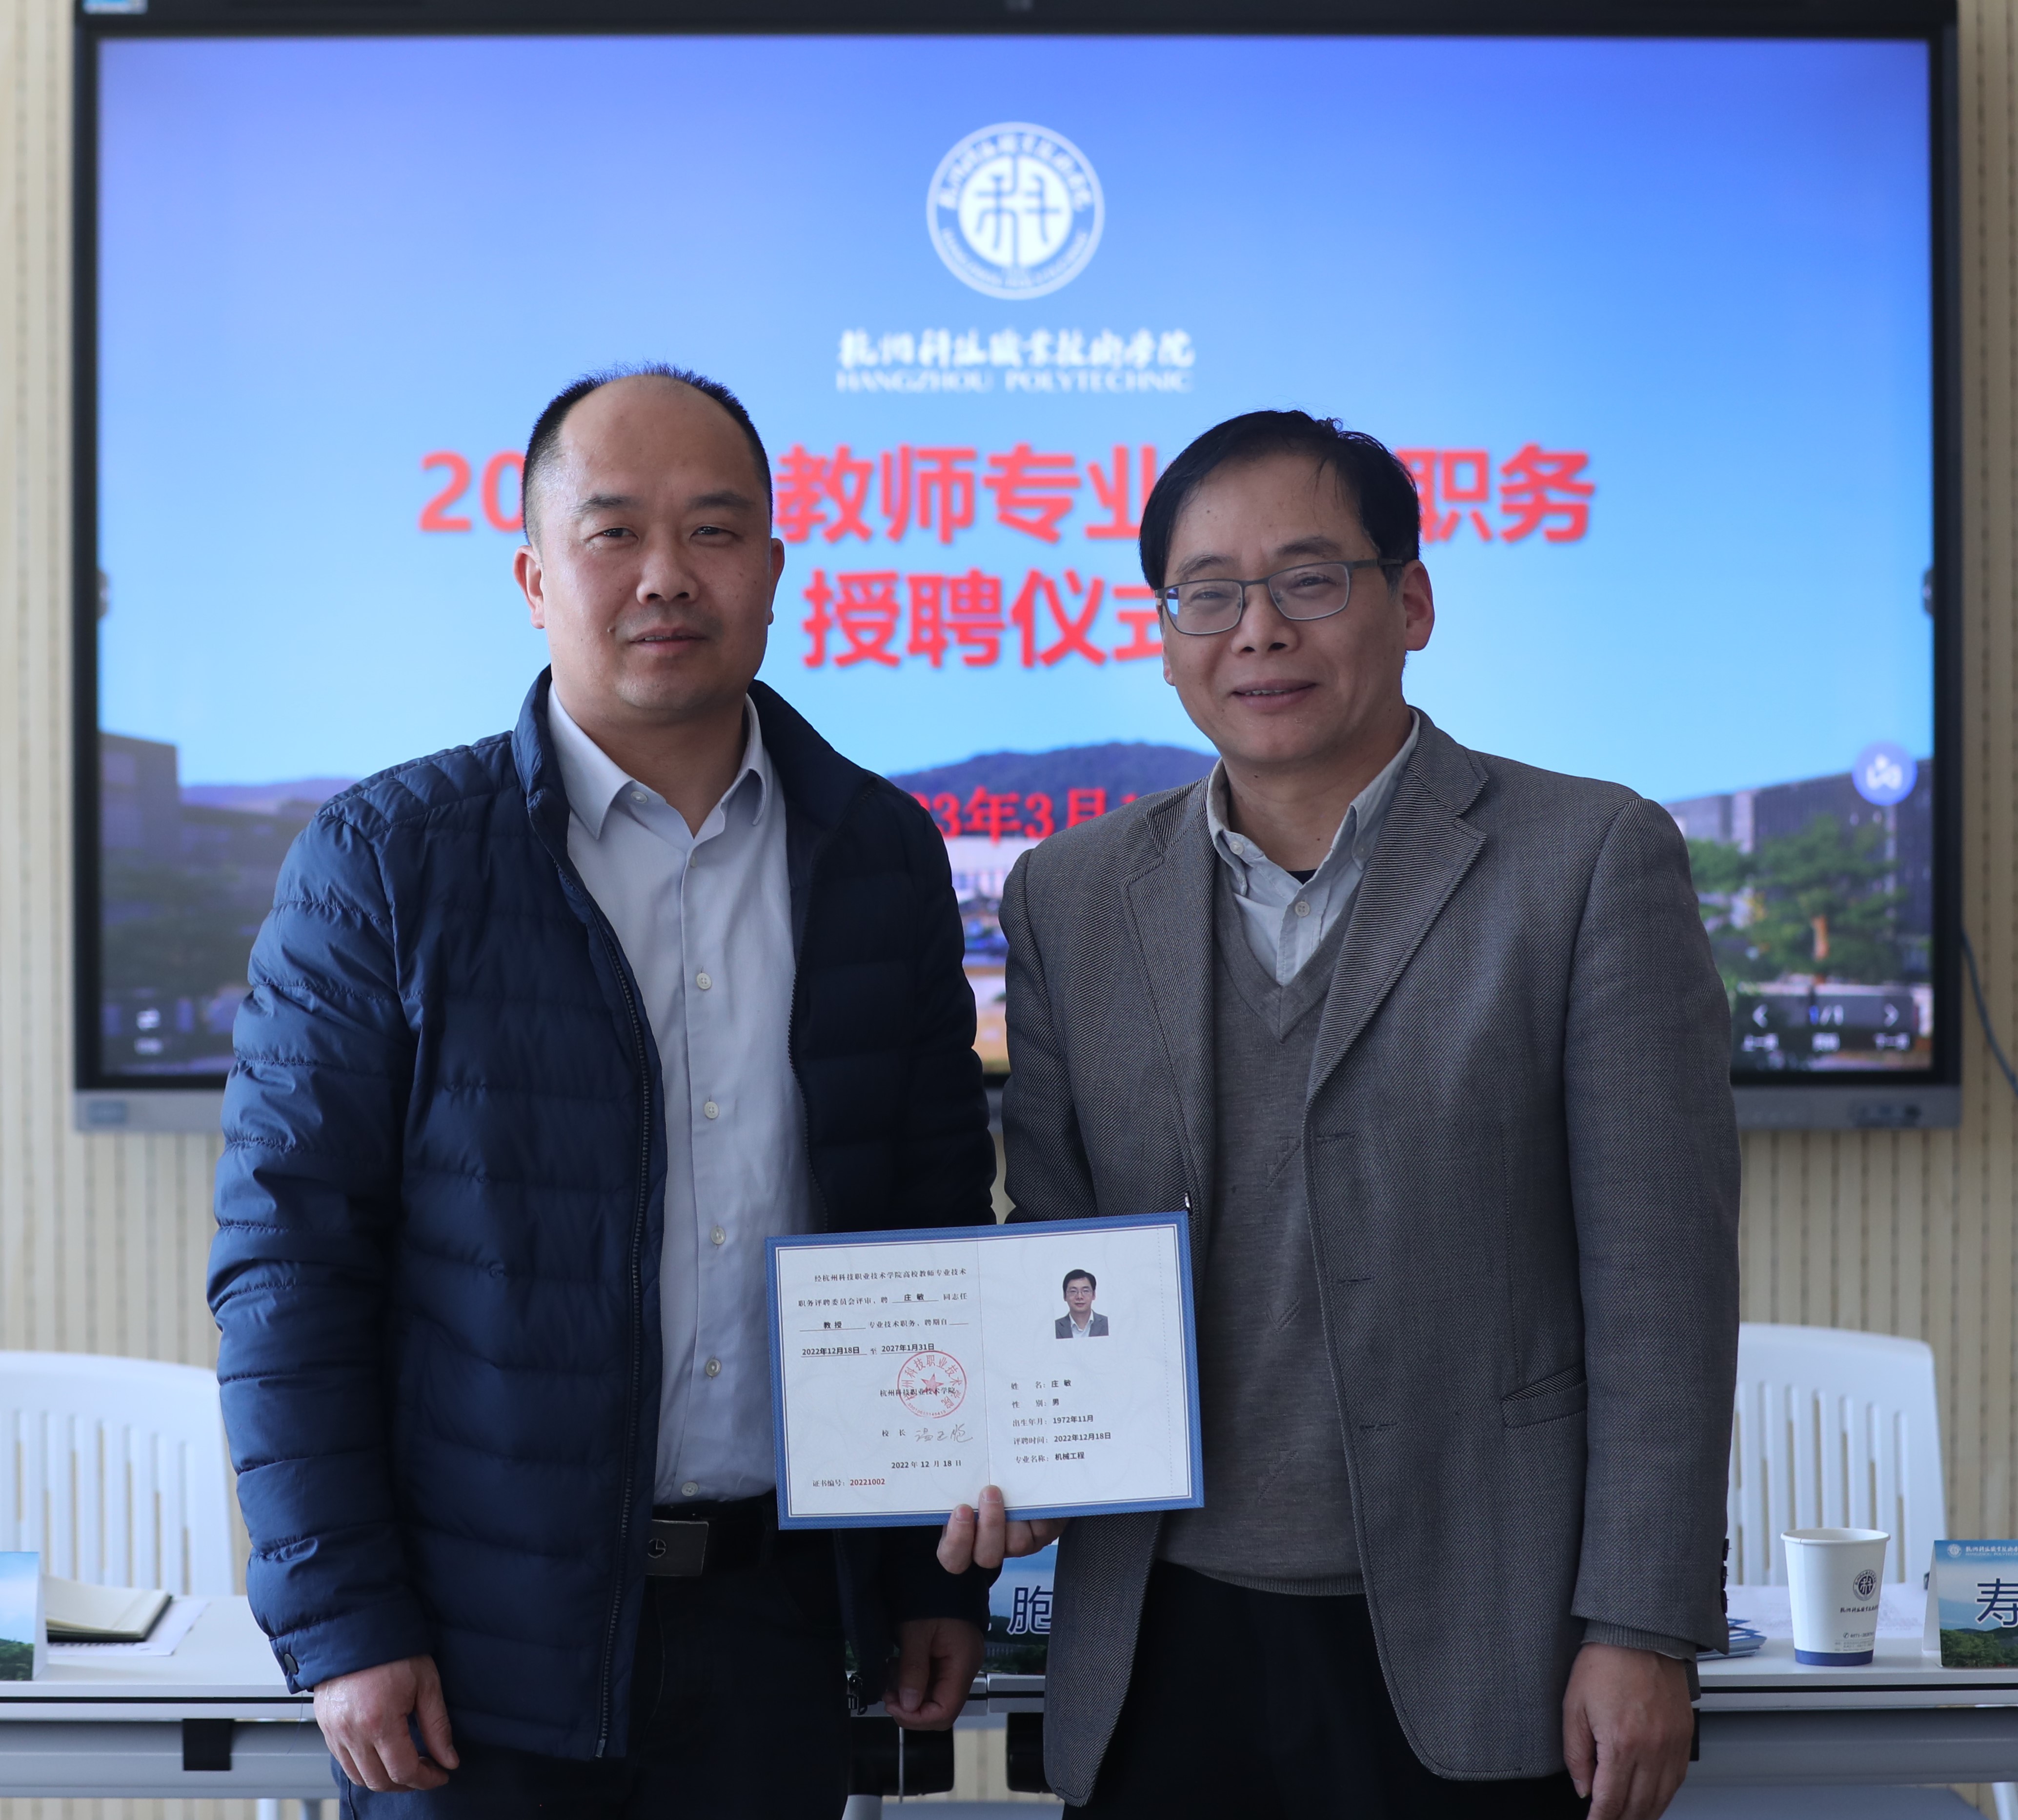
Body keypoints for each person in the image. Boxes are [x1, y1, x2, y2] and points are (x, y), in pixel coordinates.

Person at [210, 365, 994, 1817]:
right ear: (532, 578)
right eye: (613, 531)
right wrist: (346, 1617)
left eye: (714, 531)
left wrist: (924, 1576)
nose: (665, 576)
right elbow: (288, 1266)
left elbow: (930, 1223)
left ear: (773, 570)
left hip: (771, 1629)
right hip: (468, 1649)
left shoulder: (879, 853)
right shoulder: (386, 861)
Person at [940, 410, 1740, 1820]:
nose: (1258, 629)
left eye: (1309, 580)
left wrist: (1642, 1622)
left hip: (1485, 1635)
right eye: (1208, 594)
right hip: (1161, 1640)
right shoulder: (1070, 895)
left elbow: (1660, 1288)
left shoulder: (1587, 860)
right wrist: (1022, 1446)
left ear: (1410, 602)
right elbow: (1058, 1246)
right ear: (1165, 634)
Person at [1054, 1270, 1109, 1338]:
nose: (1079, 1297)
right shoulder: (1054, 1327)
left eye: (1085, 1291)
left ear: (1094, 1295)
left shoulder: (1108, 1324)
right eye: (1073, 1291)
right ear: (1065, 1296)